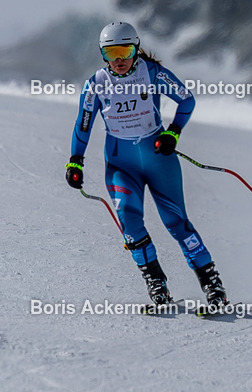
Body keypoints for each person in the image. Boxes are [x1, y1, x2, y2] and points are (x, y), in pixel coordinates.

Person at [65, 21, 228, 310]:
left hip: (158, 158)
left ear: (136, 49)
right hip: (120, 164)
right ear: (102, 55)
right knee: (129, 221)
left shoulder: (151, 73)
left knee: (177, 223)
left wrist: (173, 132)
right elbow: (83, 125)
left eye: (124, 51)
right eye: (110, 53)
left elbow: (186, 100)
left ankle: (213, 286)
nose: (118, 61)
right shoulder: (96, 85)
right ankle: (157, 284)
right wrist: (75, 160)